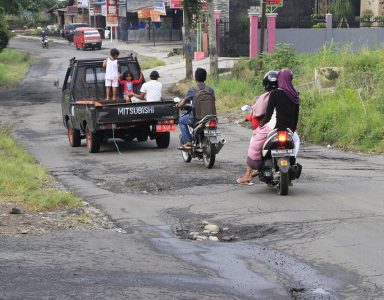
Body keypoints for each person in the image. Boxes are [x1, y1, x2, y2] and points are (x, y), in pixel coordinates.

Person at [237, 68, 300, 185]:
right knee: (296, 141)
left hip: (273, 127)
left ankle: (248, 174)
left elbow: (268, 114)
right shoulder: (295, 95)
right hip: (289, 129)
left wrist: (261, 125)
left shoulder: (275, 93)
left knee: (254, 143)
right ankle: (292, 161)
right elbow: (296, 117)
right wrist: (292, 130)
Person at [176, 68, 215, 150]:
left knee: (181, 121)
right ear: (205, 78)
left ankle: (188, 141)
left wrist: (179, 105)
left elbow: (183, 103)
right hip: (210, 117)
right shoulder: (210, 90)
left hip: (196, 118)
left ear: (195, 78)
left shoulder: (192, 90)